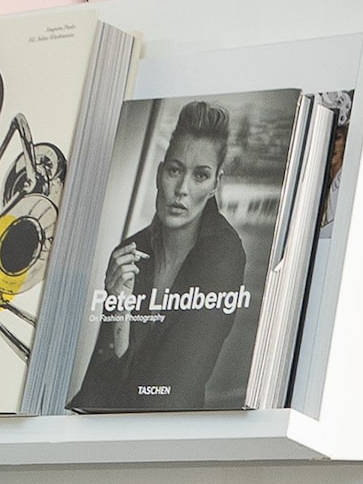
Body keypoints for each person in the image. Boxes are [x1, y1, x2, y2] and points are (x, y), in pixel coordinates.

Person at [71, 99, 251, 410]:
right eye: (175, 170)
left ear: (215, 184)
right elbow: (100, 379)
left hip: (169, 432)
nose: (181, 188)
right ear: (159, 173)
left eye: (200, 175)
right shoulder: (130, 252)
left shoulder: (224, 254)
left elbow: (176, 381)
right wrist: (120, 309)